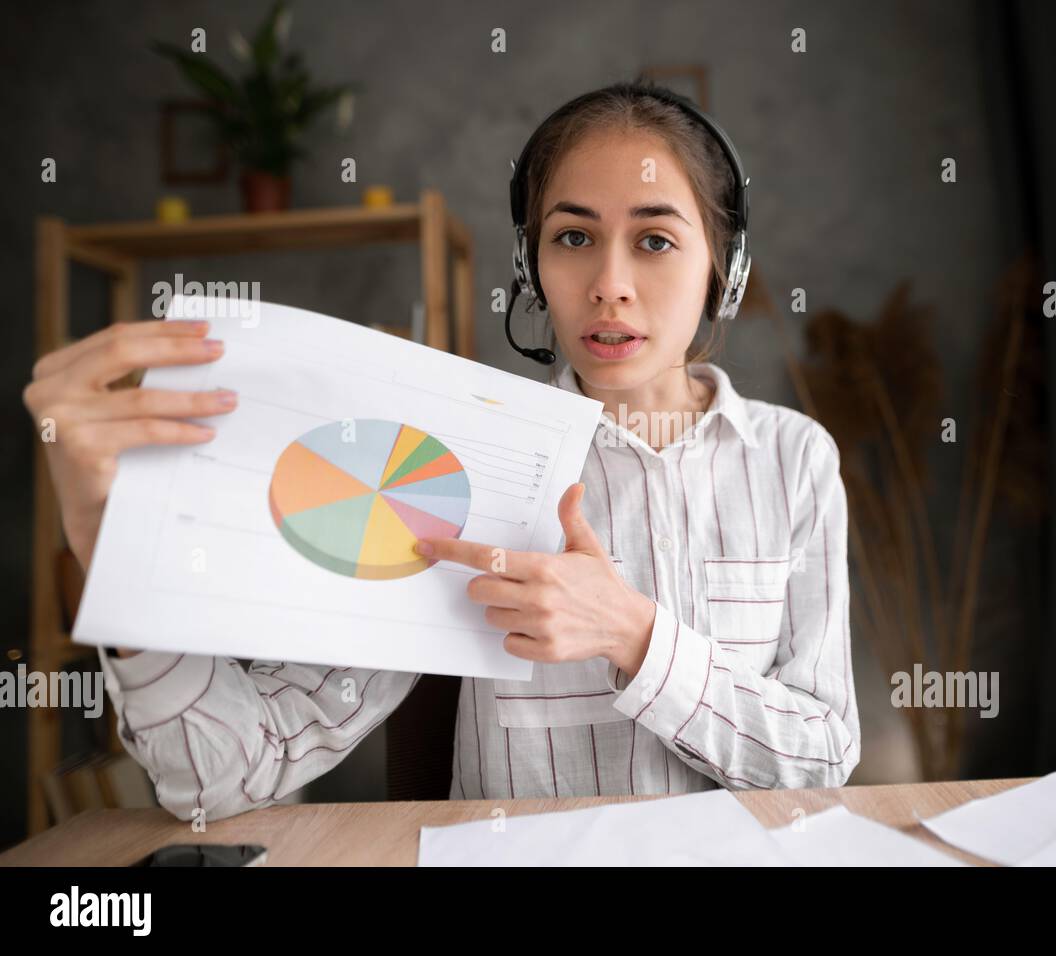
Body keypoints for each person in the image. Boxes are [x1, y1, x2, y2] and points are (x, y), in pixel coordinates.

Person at [22, 79, 859, 820]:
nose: (609, 281)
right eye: (572, 237)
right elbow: (227, 775)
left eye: (655, 240)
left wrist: (634, 635)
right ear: (530, 268)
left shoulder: (792, 460)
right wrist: (111, 545)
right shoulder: (451, 460)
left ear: (726, 268)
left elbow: (822, 757)